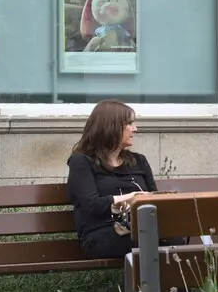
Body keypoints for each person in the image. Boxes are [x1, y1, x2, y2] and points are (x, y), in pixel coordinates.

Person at [67, 99, 157, 260]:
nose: (135, 129)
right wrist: (133, 197)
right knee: (149, 241)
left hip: (139, 229)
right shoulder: (81, 161)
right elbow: (92, 205)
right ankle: (136, 286)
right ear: (111, 126)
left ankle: (177, 286)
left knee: (172, 239)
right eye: (129, 123)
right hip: (100, 234)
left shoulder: (139, 161)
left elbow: (155, 200)